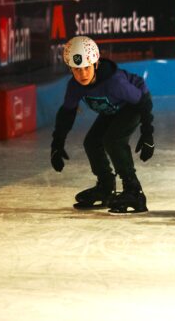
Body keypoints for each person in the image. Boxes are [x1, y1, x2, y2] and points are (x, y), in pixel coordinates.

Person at [50, 36, 156, 214]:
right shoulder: (74, 86)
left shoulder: (114, 83)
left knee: (113, 140)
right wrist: (57, 144)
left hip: (133, 106)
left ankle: (134, 191)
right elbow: (66, 113)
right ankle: (106, 187)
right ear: (70, 69)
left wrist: (147, 134)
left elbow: (143, 101)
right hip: (113, 110)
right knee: (91, 142)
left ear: (96, 64)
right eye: (77, 70)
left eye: (87, 68)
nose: (83, 74)